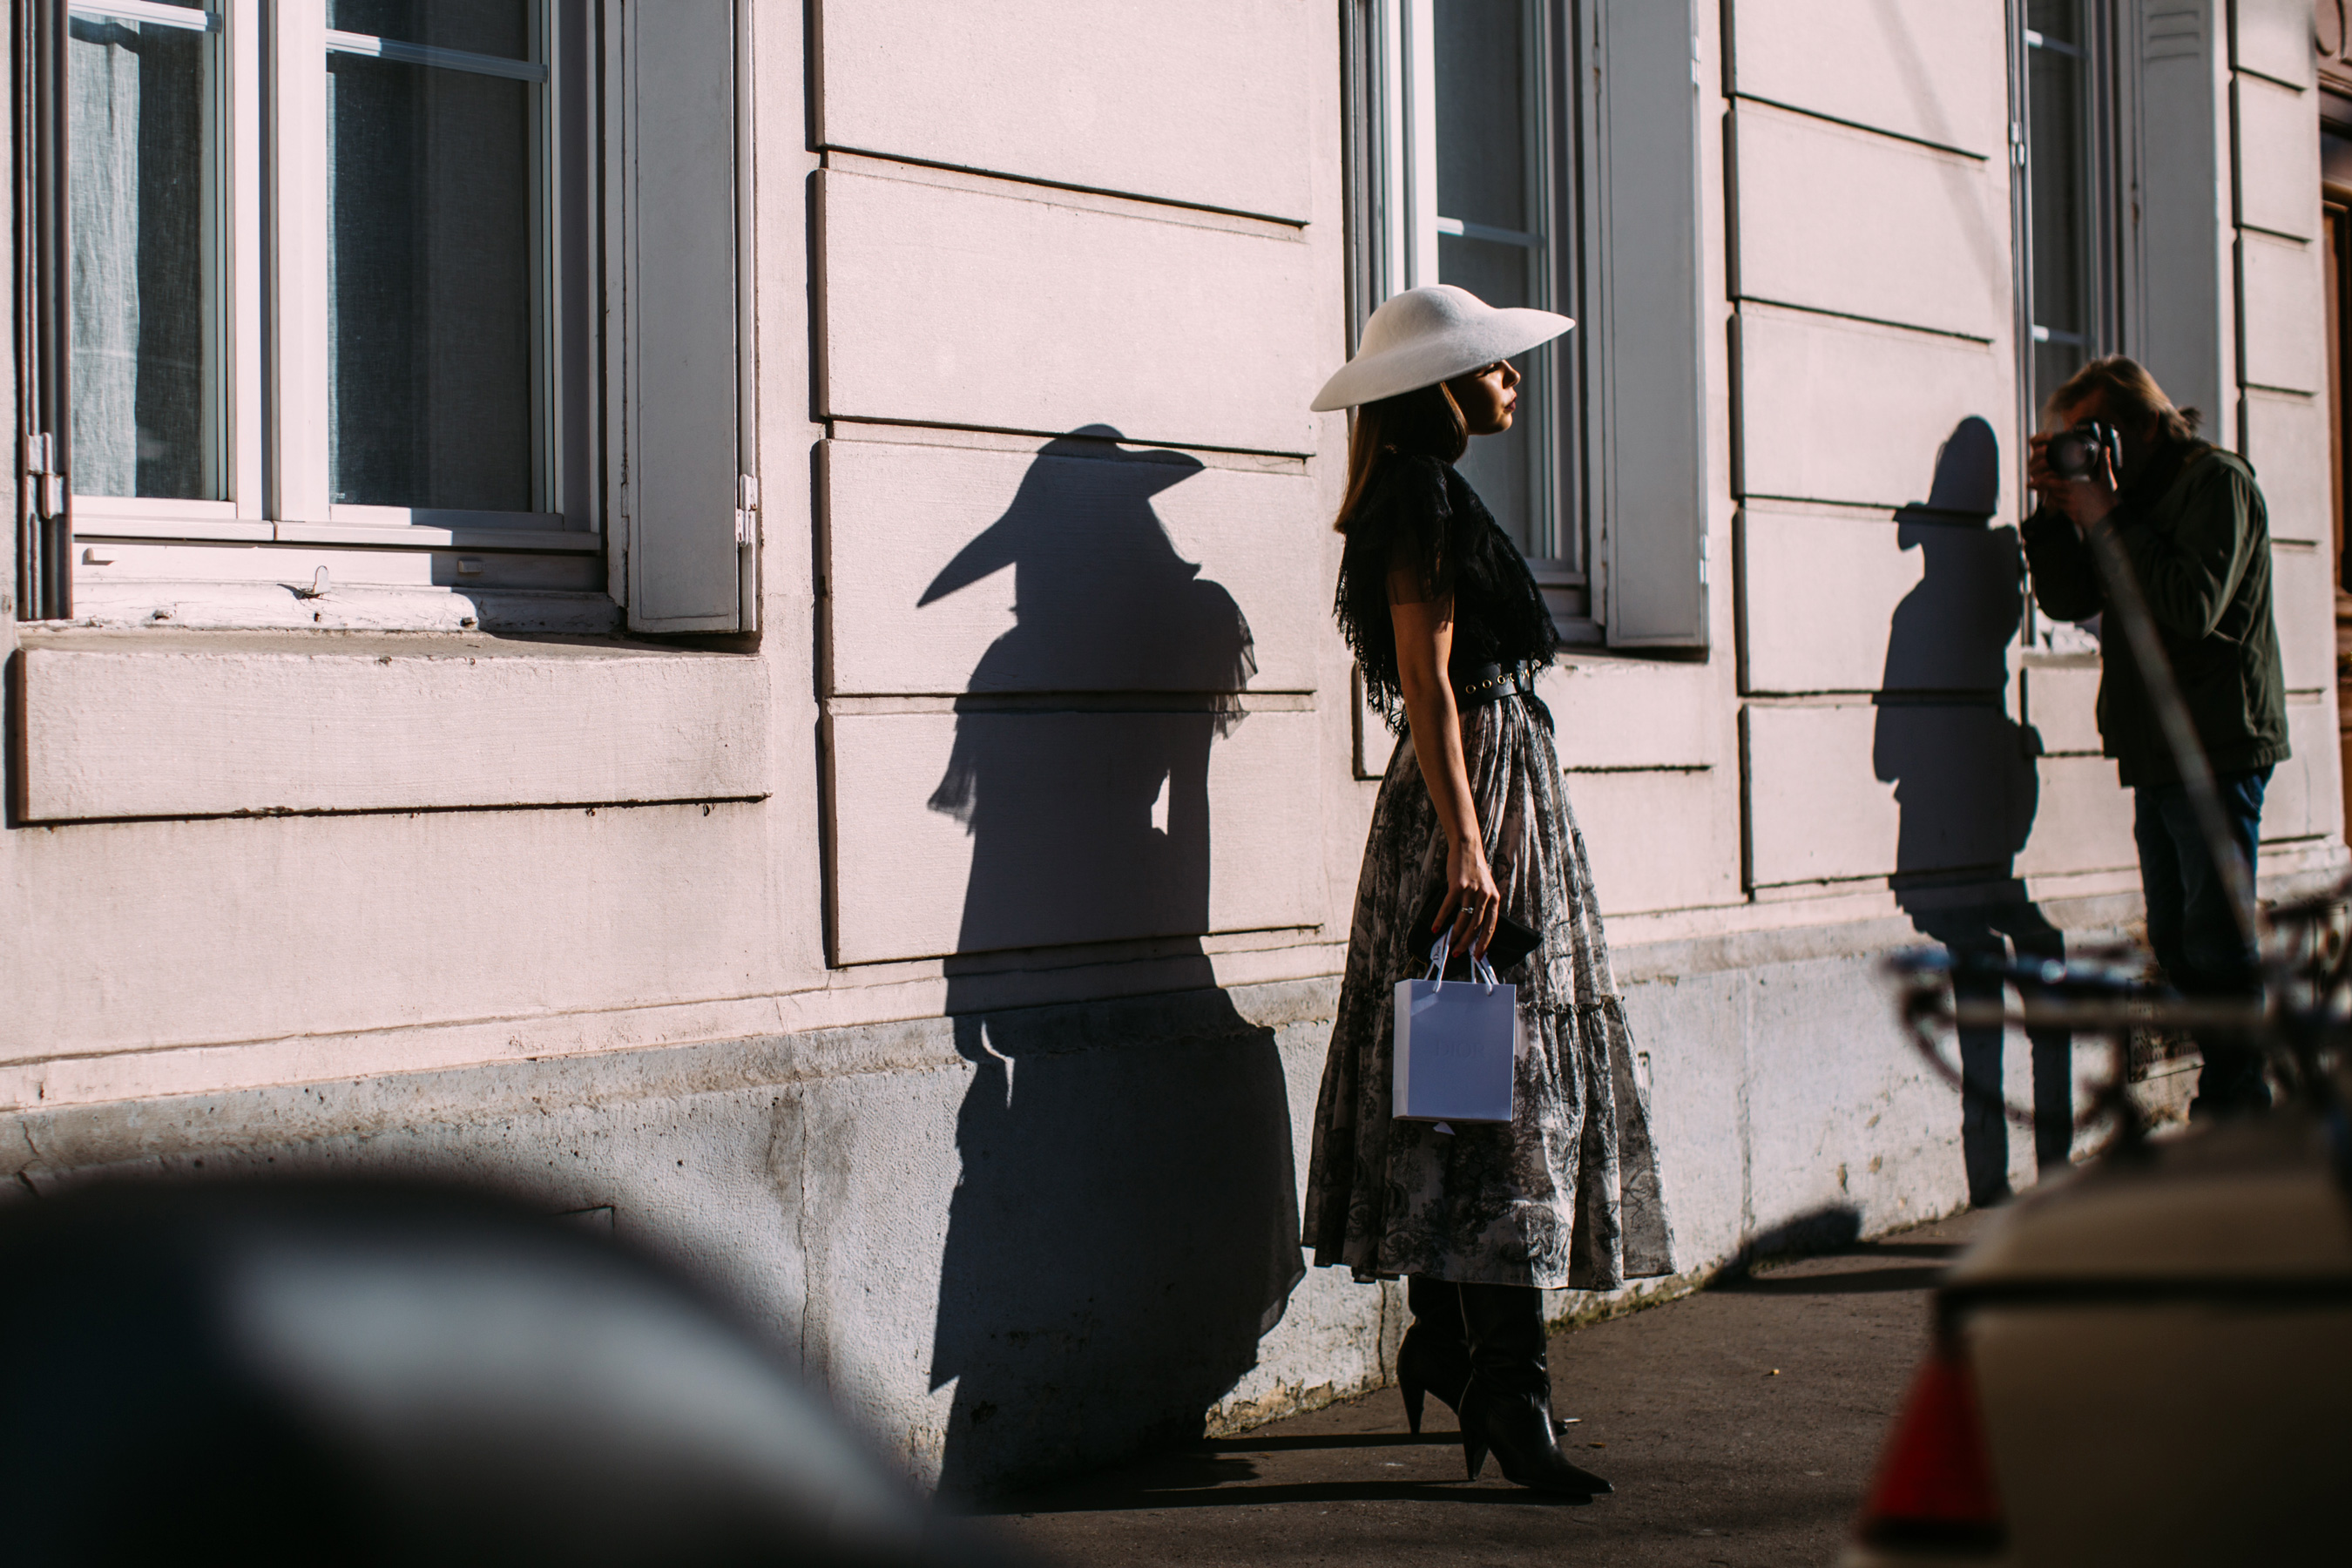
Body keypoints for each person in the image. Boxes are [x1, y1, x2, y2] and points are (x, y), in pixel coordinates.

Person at [1299, 285, 1673, 1497]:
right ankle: (1503, 1386)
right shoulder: (1417, 493)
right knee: (1491, 1089)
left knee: (1460, 1086)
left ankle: (1456, 1351)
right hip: (1476, 800)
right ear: (1438, 388)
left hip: (1492, 792)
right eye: (1493, 368)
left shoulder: (1430, 490)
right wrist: (1470, 844)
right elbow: (1428, 680)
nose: (1514, 382)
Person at [2020, 356, 2290, 1118]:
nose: (2085, 452)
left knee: (2216, 931)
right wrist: (2053, 514)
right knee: (2174, 935)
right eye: (2068, 441)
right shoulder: (2121, 502)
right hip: (2153, 744)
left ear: (2145, 424)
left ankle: (2240, 1102)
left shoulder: (2216, 486)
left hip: (2217, 739)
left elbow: (2192, 603)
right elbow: (2072, 596)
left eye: (2092, 435)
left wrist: (2106, 514)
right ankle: (2236, 1090)